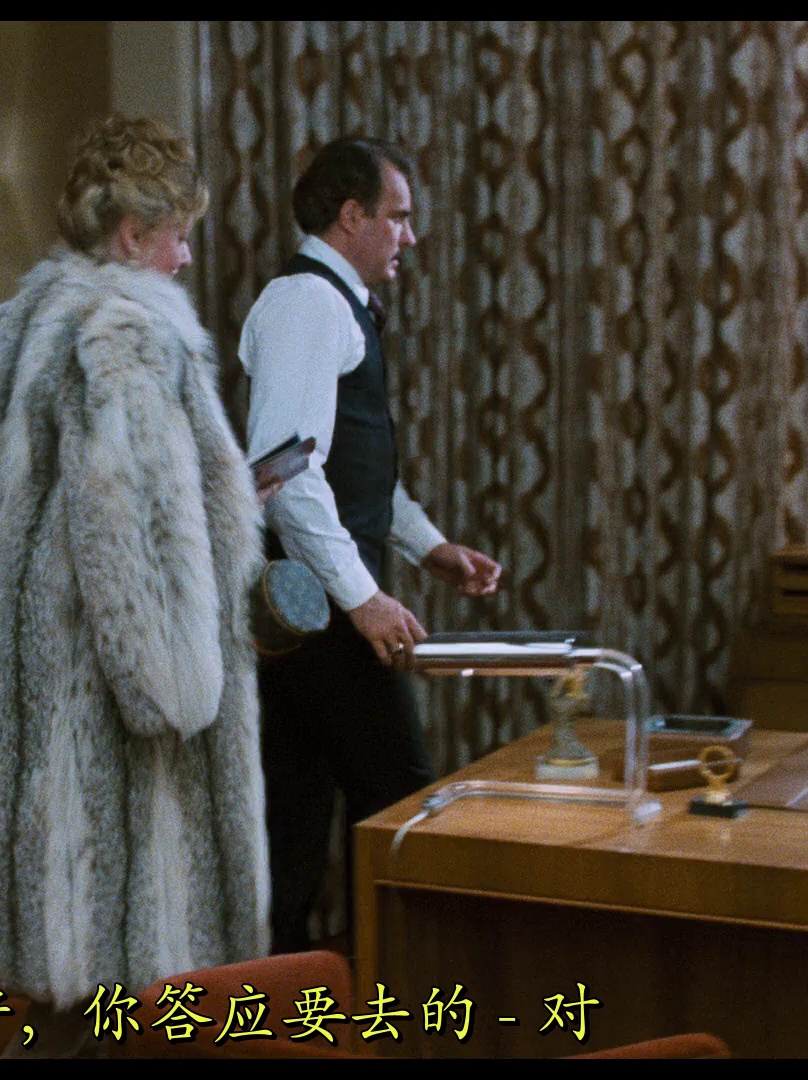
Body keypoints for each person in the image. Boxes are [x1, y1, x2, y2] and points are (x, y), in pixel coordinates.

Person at [0, 116, 269, 1056]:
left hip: (22, 707)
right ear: (131, 234)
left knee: (62, 991)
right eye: (178, 235)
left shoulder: (7, 331)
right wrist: (180, 688)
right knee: (120, 986)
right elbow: (135, 537)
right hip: (109, 731)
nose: (186, 258)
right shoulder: (127, 337)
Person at [240, 136, 503, 956]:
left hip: (318, 608)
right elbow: (285, 473)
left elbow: (349, 469)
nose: (409, 237)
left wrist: (429, 548)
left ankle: (282, 1000)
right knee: (399, 803)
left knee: (297, 814)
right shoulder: (309, 303)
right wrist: (364, 598)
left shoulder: (330, 302)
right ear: (350, 216)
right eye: (398, 217)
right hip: (319, 610)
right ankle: (387, 996)